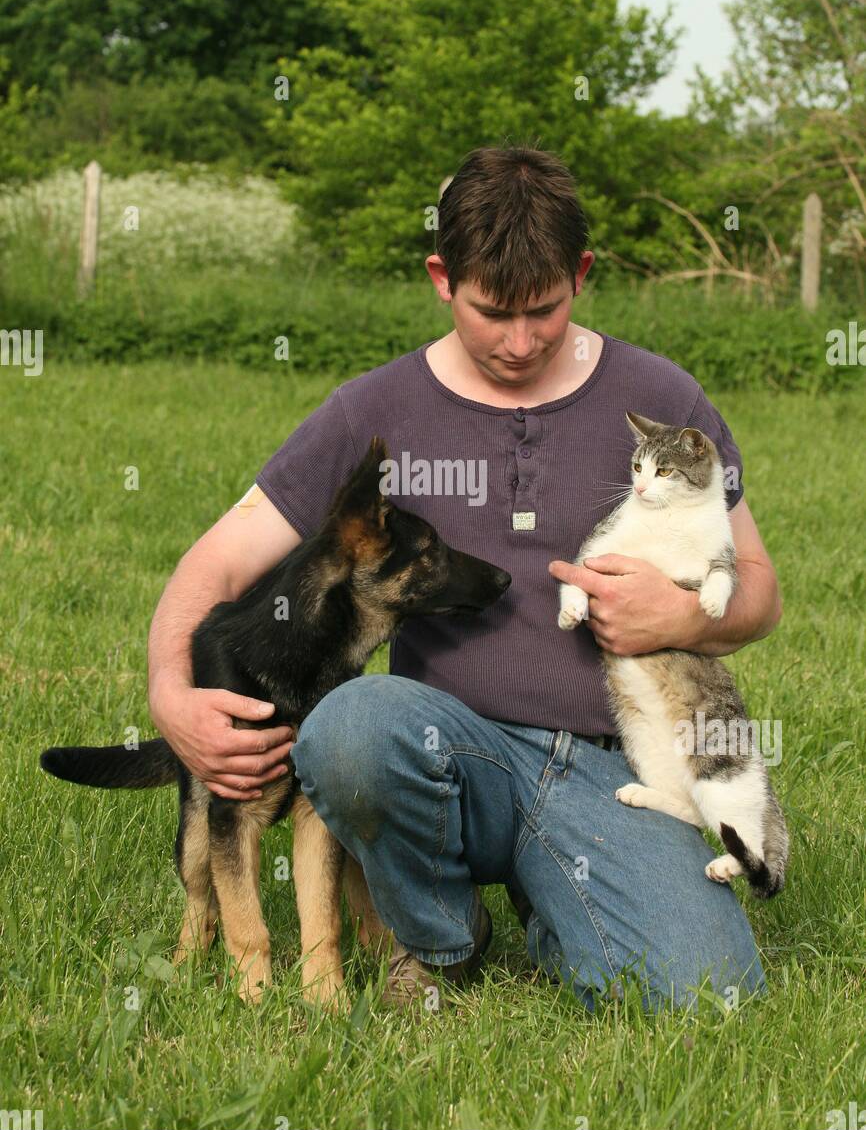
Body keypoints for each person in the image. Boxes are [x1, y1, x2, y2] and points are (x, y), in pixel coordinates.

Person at [147, 145, 782, 1011]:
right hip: (438, 751)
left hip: (611, 766)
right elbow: (214, 561)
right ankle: (443, 933)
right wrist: (170, 696)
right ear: (442, 278)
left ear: (582, 275)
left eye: (545, 312)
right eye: (494, 313)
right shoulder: (372, 409)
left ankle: (562, 896)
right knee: (346, 726)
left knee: (709, 994)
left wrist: (681, 618)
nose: (520, 342)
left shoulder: (662, 395)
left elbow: (758, 589)